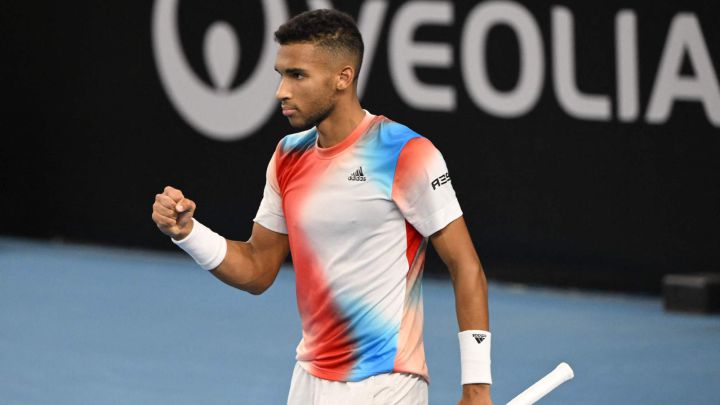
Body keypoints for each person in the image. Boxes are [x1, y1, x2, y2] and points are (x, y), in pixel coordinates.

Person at [151, 9, 492, 405]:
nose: (281, 90)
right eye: (280, 74)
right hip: (308, 380)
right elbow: (259, 268)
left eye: (297, 75)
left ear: (342, 78)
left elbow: (466, 266)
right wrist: (188, 233)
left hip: (385, 382)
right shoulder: (287, 156)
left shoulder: (407, 153)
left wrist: (477, 388)